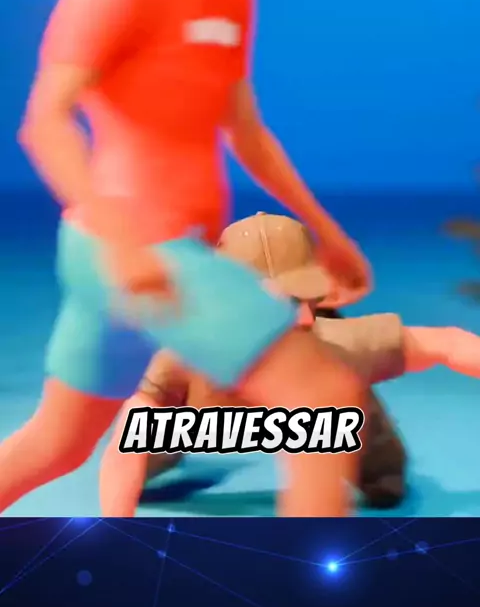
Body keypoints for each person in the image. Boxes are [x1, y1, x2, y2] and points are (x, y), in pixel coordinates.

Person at [1, 0, 369, 518]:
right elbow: (46, 120)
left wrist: (327, 232)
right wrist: (122, 245)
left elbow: (245, 131)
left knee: (57, 445)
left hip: (145, 252)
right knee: (320, 391)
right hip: (133, 247)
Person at [101, 212, 480, 516]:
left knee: (385, 483)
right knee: (142, 459)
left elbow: (446, 343)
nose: (303, 319)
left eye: (303, 300)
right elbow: (126, 447)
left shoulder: (335, 346)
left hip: (328, 413)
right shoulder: (186, 358)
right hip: (201, 418)